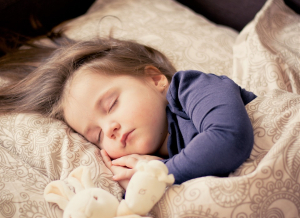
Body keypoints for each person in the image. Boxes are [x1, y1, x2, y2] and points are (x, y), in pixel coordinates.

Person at [0, 36, 256, 189]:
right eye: (97, 135)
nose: (109, 129)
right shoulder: (151, 160)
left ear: (155, 79)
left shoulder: (193, 87)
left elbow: (228, 138)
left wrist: (161, 173)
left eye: (111, 105)